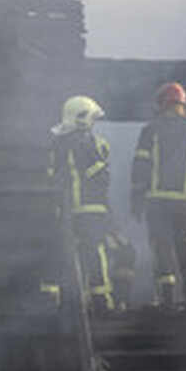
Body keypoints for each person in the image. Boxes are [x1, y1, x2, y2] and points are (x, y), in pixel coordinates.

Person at [130, 82, 186, 308]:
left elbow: (140, 167)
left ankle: (166, 297)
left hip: (157, 202)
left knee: (161, 246)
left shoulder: (150, 130)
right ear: (182, 104)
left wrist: (136, 200)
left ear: (162, 104)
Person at [47, 95, 115, 314]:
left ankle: (58, 302)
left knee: (64, 253)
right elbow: (101, 176)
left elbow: (52, 177)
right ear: (83, 118)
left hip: (65, 210)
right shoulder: (91, 142)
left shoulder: (56, 145)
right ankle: (101, 301)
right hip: (90, 209)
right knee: (95, 252)